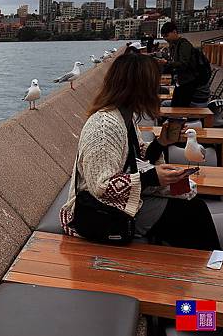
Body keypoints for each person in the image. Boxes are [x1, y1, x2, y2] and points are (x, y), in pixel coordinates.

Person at [60, 52, 220, 251]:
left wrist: (161, 143)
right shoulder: (104, 126)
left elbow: (137, 160)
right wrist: (153, 177)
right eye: (153, 82)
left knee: (192, 205)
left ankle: (203, 267)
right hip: (98, 211)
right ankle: (210, 269)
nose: (157, 87)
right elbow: (101, 187)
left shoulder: (123, 116)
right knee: (191, 213)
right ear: (139, 86)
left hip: (117, 201)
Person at [159, 22, 210, 107]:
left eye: (166, 35)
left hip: (188, 84)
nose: (165, 38)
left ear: (174, 32)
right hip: (183, 83)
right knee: (174, 105)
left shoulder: (184, 45)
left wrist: (166, 63)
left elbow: (183, 64)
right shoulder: (175, 45)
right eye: (163, 36)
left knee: (175, 108)